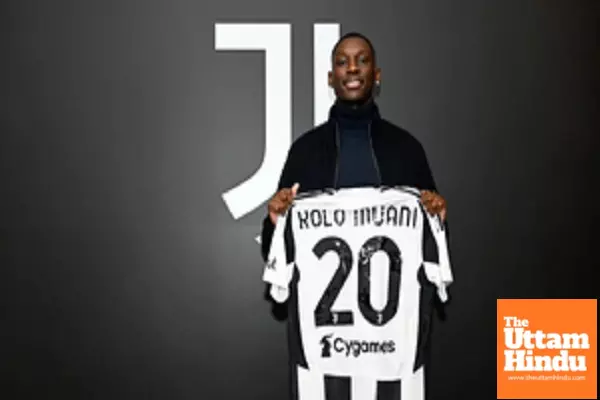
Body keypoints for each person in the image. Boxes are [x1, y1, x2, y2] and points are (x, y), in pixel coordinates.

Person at [261, 32, 447, 261]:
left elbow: (434, 253)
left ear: (377, 75)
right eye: (342, 62)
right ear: (331, 78)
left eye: (362, 60)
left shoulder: (407, 149)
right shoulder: (304, 151)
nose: (352, 68)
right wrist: (275, 222)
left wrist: (437, 221)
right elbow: (274, 254)